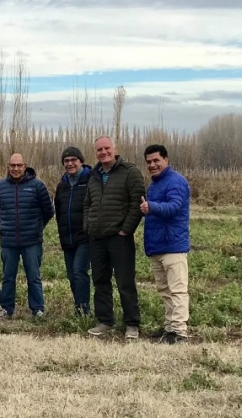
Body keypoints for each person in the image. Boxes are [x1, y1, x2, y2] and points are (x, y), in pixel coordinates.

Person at [84, 136, 146, 339]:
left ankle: (131, 324)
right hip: (97, 238)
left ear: (115, 149)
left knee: (125, 281)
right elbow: (87, 203)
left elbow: (137, 203)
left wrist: (125, 230)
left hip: (120, 239)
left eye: (106, 148)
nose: (103, 152)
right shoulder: (94, 174)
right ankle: (105, 320)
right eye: (99, 149)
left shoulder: (130, 172)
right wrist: (89, 226)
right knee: (100, 281)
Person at [0, 153, 54, 318]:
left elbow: (48, 210)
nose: (16, 168)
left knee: (34, 276)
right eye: (12, 165)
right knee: (8, 277)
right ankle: (6, 309)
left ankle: (37, 309)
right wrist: (4, 226)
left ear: (25, 166)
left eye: (19, 165)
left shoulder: (38, 185)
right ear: (8, 166)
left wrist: (36, 227)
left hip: (32, 241)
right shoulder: (0, 187)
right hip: (8, 241)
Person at [140, 144, 191, 344]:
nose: (152, 165)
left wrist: (150, 206)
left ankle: (179, 332)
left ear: (166, 160)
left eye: (156, 161)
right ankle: (170, 327)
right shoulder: (154, 184)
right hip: (157, 246)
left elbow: (174, 207)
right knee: (165, 290)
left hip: (173, 246)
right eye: (149, 162)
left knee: (177, 289)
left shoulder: (176, 182)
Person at [54, 146, 93, 317]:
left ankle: (84, 309)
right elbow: (58, 211)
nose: (70, 164)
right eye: (66, 161)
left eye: (73, 160)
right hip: (67, 238)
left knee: (79, 271)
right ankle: (79, 307)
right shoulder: (62, 185)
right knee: (71, 275)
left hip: (85, 237)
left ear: (81, 161)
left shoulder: (91, 181)